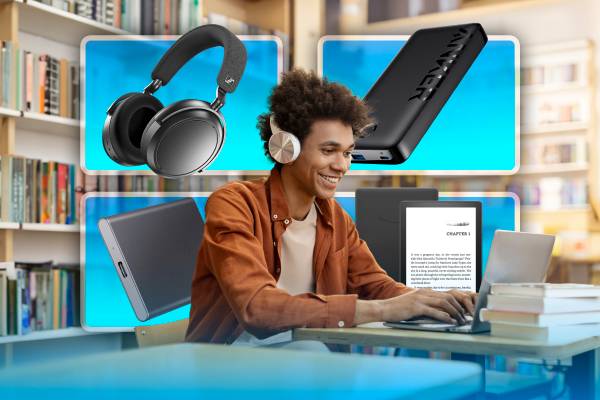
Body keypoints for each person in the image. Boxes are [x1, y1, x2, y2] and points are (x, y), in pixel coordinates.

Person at [185, 69, 476, 346]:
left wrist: (434, 300)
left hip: (307, 356)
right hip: (229, 357)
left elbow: (377, 286)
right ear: (287, 146)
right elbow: (257, 307)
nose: (341, 166)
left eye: (348, 153)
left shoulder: (336, 218)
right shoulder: (234, 205)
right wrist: (384, 310)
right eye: (328, 151)